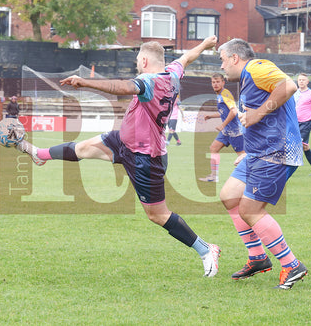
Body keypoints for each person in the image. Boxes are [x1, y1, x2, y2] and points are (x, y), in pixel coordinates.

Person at [15, 36, 221, 277]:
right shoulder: (172, 73)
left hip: (145, 156)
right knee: (82, 149)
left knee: (157, 215)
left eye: (137, 60)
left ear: (144, 60)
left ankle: (206, 250)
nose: (136, 64)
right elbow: (187, 57)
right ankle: (39, 155)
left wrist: (85, 83)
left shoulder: (149, 80)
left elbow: (123, 88)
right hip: (124, 141)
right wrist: (205, 44)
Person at [217, 38, 307, 289]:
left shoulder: (256, 67)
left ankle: (291, 265)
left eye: (223, 59)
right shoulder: (248, 78)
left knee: (250, 210)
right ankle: (258, 258)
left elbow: (287, 86)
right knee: (229, 196)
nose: (222, 66)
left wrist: (257, 113)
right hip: (258, 153)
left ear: (235, 57)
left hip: (276, 153)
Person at [199, 73, 245, 182]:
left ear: (223, 82)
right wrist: (210, 116)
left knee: (242, 157)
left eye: (218, 82)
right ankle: (213, 176)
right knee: (213, 148)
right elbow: (224, 112)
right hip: (226, 131)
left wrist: (222, 125)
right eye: (213, 82)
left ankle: (250, 179)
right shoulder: (220, 95)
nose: (215, 84)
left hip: (235, 131)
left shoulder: (225, 94)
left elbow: (233, 111)